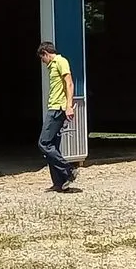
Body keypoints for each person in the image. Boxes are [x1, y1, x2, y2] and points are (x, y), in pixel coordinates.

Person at [37, 41, 77, 192]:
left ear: (46, 53)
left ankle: (69, 169)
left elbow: (69, 84)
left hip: (57, 109)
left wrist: (68, 106)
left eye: (43, 59)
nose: (43, 62)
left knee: (44, 143)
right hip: (53, 107)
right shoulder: (52, 66)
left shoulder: (61, 61)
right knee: (52, 147)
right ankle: (59, 183)